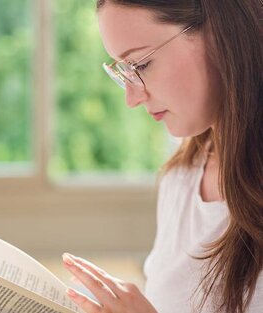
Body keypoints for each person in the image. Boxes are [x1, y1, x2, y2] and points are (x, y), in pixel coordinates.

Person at [61, 1, 263, 312]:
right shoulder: (180, 178)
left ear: (222, 34)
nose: (132, 97)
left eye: (140, 64)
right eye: (123, 71)